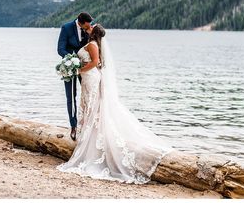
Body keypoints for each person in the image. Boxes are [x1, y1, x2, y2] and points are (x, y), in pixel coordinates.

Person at [57, 24, 173, 184]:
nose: (88, 28)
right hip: (88, 78)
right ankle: (86, 136)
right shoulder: (92, 43)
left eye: (91, 27)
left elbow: (95, 62)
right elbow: (96, 62)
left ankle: (88, 141)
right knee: (89, 106)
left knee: (91, 106)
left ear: (94, 32)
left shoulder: (92, 44)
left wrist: (78, 70)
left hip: (90, 78)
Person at [57, 12, 93, 141]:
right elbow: (60, 49)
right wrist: (72, 59)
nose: (88, 27)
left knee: (88, 96)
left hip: (87, 69)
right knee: (71, 97)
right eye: (86, 25)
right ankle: (73, 126)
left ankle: (88, 126)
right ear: (80, 22)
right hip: (70, 67)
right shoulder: (66, 28)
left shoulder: (88, 28)